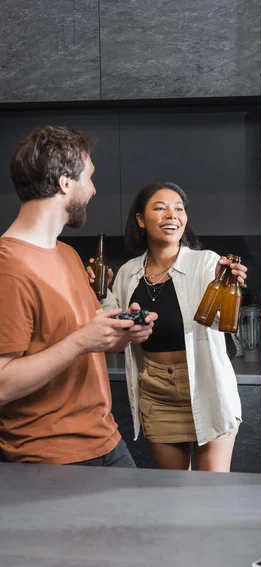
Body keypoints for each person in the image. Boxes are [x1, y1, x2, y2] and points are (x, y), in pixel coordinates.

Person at [0, 125, 156, 467]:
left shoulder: (68, 254)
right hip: (48, 458)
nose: (94, 189)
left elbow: (79, 337)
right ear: (65, 183)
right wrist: (81, 341)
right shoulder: (7, 268)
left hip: (105, 441)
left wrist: (120, 335)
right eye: (89, 178)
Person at [88, 182, 247, 471]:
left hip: (206, 385)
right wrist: (101, 293)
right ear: (140, 219)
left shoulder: (207, 263)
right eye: (160, 208)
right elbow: (117, 320)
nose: (171, 215)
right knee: (174, 494)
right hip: (157, 391)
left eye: (178, 209)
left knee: (211, 493)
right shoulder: (128, 272)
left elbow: (222, 318)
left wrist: (230, 281)